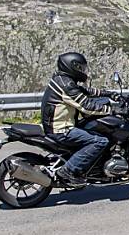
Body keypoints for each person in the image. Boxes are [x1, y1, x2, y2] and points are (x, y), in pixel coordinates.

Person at [41, 52, 122, 184]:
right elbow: (86, 106)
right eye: (81, 68)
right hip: (61, 130)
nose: (83, 71)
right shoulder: (66, 85)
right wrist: (114, 110)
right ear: (72, 66)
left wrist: (108, 93)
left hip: (58, 125)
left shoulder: (64, 80)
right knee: (100, 141)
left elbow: (84, 91)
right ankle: (68, 171)